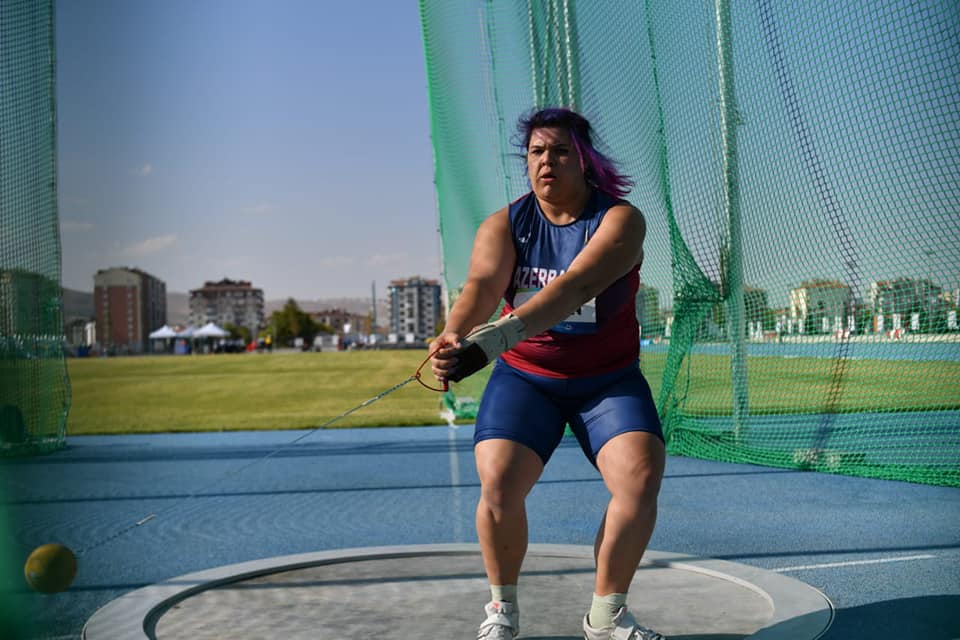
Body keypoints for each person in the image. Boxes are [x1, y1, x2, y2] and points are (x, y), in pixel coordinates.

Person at [430, 107, 666, 640]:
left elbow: (575, 288)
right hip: (526, 379)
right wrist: (455, 332)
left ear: (584, 161)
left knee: (640, 478)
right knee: (498, 483)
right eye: (537, 152)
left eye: (560, 151)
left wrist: (491, 339)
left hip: (606, 381)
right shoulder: (505, 224)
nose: (547, 162)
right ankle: (502, 612)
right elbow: (481, 288)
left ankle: (606, 618)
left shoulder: (620, 221)